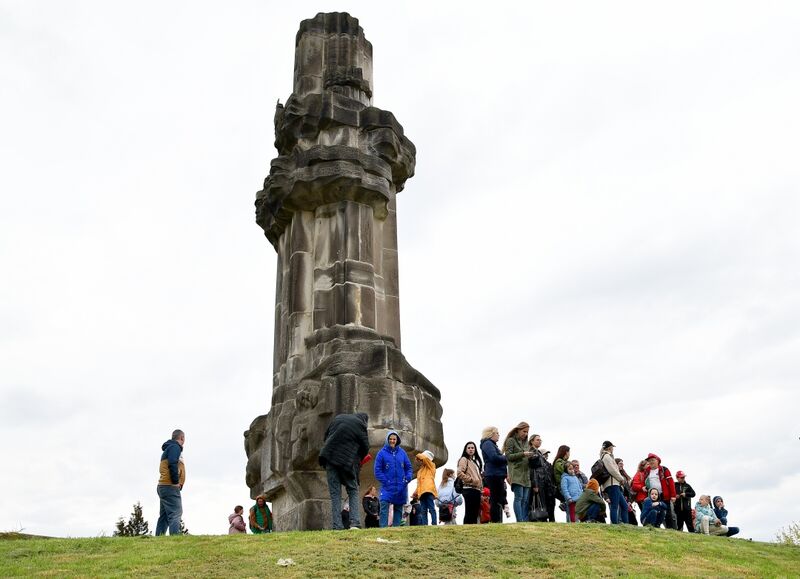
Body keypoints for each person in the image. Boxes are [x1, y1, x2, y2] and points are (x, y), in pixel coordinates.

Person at [318, 412, 370, 530]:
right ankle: (355, 523)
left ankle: (337, 526)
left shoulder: (338, 418)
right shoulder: (360, 425)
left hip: (329, 458)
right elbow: (366, 447)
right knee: (352, 490)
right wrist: (358, 459)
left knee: (335, 494)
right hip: (347, 462)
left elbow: (326, 437)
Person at [374, 430, 413, 527]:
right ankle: (382, 529)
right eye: (390, 439)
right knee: (384, 506)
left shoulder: (402, 453)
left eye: (394, 439)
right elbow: (377, 470)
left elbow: (409, 468)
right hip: (387, 486)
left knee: (398, 509)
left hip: (401, 486)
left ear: (397, 440)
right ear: (387, 440)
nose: (392, 441)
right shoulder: (381, 453)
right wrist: (385, 481)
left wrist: (407, 478)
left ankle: (396, 531)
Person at [156, 429, 185, 536]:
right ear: (182, 438)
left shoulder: (169, 448)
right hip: (170, 486)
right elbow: (172, 463)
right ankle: (175, 539)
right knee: (176, 513)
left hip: (163, 486)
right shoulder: (175, 447)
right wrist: (175, 482)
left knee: (164, 516)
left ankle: (159, 538)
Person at [502, 422, 532, 522]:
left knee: (525, 499)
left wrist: (531, 456)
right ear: (518, 430)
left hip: (526, 474)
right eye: (524, 431)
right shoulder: (511, 441)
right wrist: (523, 454)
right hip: (516, 473)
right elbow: (508, 457)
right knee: (519, 497)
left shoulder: (527, 443)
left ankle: (524, 519)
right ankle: (520, 520)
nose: (526, 434)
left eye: (527, 432)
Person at [480, 426, 510, 522]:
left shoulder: (491, 444)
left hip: (496, 474)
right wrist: (506, 458)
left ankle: (496, 519)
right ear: (491, 434)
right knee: (495, 499)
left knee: (497, 498)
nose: (498, 435)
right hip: (493, 474)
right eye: (497, 433)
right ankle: (495, 520)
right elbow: (494, 458)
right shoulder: (488, 444)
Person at [644, 452, 677, 529]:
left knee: (667, 512)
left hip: (664, 494)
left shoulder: (663, 469)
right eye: (649, 460)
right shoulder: (647, 471)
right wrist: (645, 487)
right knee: (654, 510)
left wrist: (673, 495)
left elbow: (671, 482)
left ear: (658, 460)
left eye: (653, 460)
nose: (651, 462)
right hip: (653, 495)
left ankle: (670, 528)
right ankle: (655, 526)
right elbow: (645, 482)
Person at [598, 441, 628, 524]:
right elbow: (612, 470)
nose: (613, 449)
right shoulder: (607, 456)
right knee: (615, 506)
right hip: (612, 484)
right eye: (612, 447)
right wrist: (621, 479)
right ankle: (614, 524)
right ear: (609, 448)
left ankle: (626, 524)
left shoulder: (605, 456)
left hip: (613, 484)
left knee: (624, 506)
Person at [529, 436, 556, 522]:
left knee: (543, 502)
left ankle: (543, 518)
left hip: (543, 482)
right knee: (538, 502)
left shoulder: (538, 453)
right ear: (532, 441)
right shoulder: (532, 452)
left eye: (540, 440)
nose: (540, 441)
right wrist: (535, 484)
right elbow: (533, 470)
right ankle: (538, 518)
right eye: (538, 440)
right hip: (538, 482)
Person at [457, 441, 484, 524]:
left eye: (472, 448)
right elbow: (459, 473)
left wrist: (480, 488)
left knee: (475, 513)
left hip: (476, 490)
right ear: (465, 449)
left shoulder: (474, 462)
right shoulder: (463, 459)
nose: (471, 449)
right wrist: (471, 480)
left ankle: (472, 530)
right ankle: (466, 530)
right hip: (468, 489)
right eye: (469, 448)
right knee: (470, 512)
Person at [415, 450, 438, 525]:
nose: (421, 461)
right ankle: (425, 524)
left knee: (431, 508)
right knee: (423, 510)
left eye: (421, 460)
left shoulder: (431, 465)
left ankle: (434, 523)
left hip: (428, 490)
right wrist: (415, 493)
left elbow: (424, 458)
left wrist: (419, 456)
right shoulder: (420, 471)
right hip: (421, 492)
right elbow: (419, 483)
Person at [615, 458, 637, 525]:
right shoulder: (613, 474)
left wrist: (630, 500)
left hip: (626, 498)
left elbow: (628, 489)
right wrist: (606, 497)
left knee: (630, 515)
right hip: (617, 495)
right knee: (618, 514)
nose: (622, 465)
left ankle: (627, 525)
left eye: (622, 463)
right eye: (620, 463)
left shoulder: (624, 475)